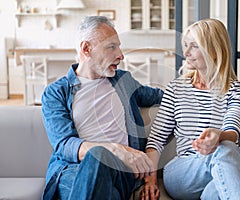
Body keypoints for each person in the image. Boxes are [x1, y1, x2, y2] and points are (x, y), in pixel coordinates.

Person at [41, 16, 163, 200]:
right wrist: (115, 149)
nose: (121, 55)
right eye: (111, 47)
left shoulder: (124, 82)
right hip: (75, 171)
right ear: (86, 49)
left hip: (121, 172)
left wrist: (192, 81)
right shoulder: (56, 92)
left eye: (119, 46)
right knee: (99, 160)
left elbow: (161, 95)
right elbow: (64, 144)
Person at [142, 18, 240, 200]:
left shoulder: (236, 89)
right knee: (225, 148)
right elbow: (156, 140)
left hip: (225, 166)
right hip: (183, 172)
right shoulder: (176, 88)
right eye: (186, 45)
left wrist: (218, 136)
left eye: (194, 46)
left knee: (222, 164)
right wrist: (150, 181)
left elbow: (232, 131)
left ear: (214, 51)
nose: (186, 52)